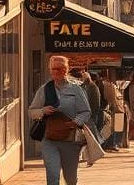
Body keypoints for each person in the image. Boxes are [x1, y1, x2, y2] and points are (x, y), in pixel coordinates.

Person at [29, 54, 92, 185]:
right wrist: (42, 111)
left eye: (60, 68)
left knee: (70, 179)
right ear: (50, 70)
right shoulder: (44, 90)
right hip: (49, 139)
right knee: (52, 175)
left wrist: (76, 122)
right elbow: (31, 111)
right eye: (54, 69)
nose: (57, 71)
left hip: (70, 140)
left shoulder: (76, 89)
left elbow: (86, 111)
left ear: (66, 70)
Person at [70, 69, 102, 142]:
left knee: (92, 132)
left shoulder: (92, 87)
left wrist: (92, 113)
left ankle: (97, 146)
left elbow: (96, 103)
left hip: (90, 113)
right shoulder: (85, 86)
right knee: (90, 132)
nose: (82, 79)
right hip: (87, 112)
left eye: (83, 78)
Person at [100, 74, 122, 152]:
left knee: (112, 128)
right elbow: (112, 99)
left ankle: (111, 144)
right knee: (111, 128)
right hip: (112, 109)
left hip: (112, 109)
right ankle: (111, 144)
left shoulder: (109, 85)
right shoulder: (109, 86)